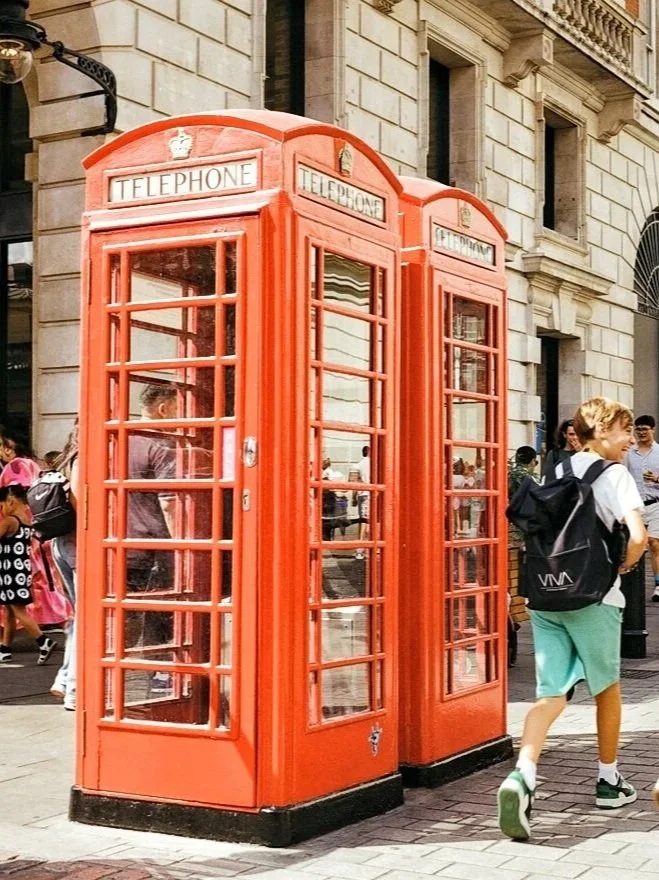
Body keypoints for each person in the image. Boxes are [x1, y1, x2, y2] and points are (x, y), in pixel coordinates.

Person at [497, 397, 647, 841]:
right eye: (623, 430)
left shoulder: (553, 471)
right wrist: (625, 565)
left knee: (551, 692)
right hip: (593, 597)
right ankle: (609, 781)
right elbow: (637, 535)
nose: (628, 439)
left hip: (545, 596)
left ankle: (523, 774)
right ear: (601, 432)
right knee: (607, 690)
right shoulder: (614, 473)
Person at [0, 484, 57, 665]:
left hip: (10, 571)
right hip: (20, 569)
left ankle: (43, 641)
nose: (2, 509)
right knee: (9, 609)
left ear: (11, 501)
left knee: (18, 610)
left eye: (2, 505)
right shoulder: (25, 519)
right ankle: (5, 649)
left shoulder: (9, 521)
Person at [49, 422, 78, 711]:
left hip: (61, 545)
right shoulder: (82, 459)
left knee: (78, 616)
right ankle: (74, 688)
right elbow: (84, 511)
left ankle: (63, 678)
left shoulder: (64, 461)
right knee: (87, 619)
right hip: (80, 549)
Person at [625, 414, 659, 601]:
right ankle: (632, 585)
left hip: (656, 502)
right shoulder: (629, 453)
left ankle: (658, 585)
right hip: (636, 506)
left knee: (654, 543)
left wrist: (656, 479)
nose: (641, 433)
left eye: (645, 429)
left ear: (653, 430)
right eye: (638, 429)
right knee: (636, 543)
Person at [354, 446, 370, 559]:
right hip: (373, 494)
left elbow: (354, 482)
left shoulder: (358, 465)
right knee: (368, 522)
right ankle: (364, 548)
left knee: (363, 521)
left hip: (362, 494)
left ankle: (360, 549)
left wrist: (354, 497)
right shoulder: (375, 464)